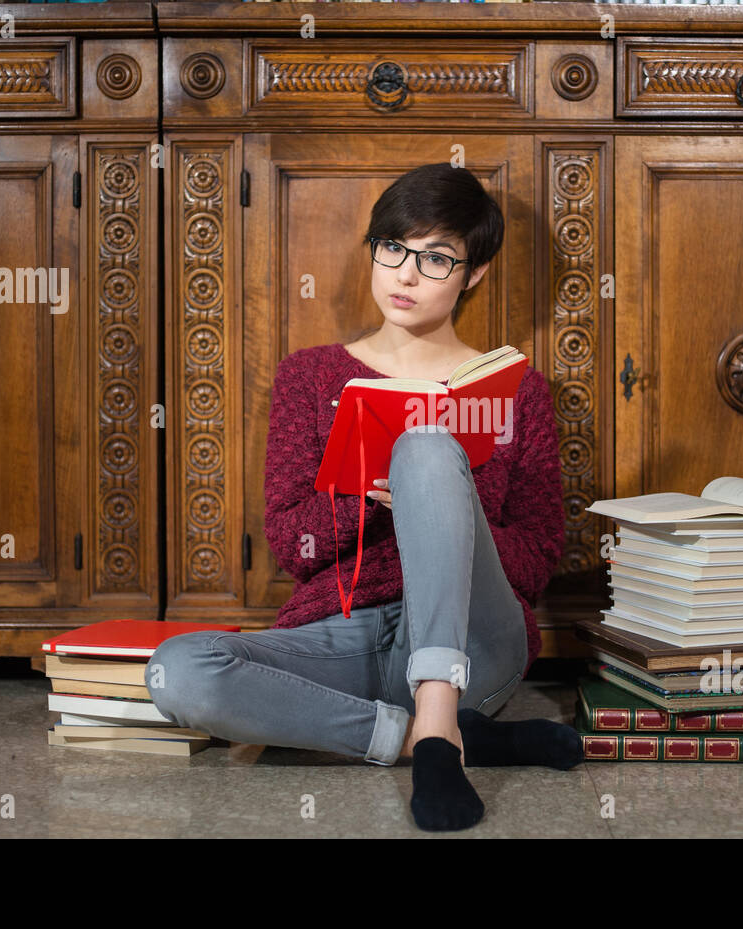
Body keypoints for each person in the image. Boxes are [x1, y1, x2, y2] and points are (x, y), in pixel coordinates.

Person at [147, 163, 583, 832]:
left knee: (426, 446)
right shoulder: (310, 375)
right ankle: (430, 740)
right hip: (345, 637)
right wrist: (369, 501)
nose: (406, 274)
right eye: (393, 248)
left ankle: (439, 716)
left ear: (474, 274)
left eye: (436, 258)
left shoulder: (517, 391)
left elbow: (533, 562)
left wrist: (436, 495)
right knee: (179, 673)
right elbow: (294, 546)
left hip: (474, 641)